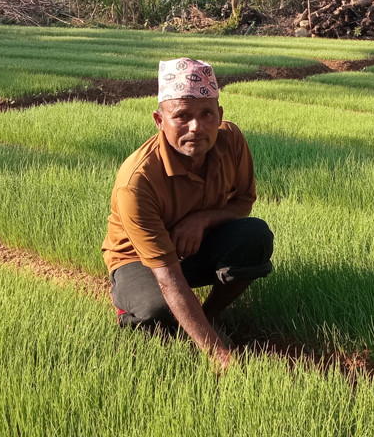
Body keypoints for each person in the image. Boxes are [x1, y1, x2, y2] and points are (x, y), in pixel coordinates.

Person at [102, 58, 274, 372]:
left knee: (255, 237)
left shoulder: (231, 140)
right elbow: (168, 278)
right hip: (138, 259)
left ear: (219, 116)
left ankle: (207, 318)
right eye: (182, 115)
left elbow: (244, 202)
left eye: (207, 114)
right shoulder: (137, 181)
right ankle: (129, 308)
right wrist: (219, 355)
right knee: (158, 310)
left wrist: (203, 220)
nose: (196, 127)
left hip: (196, 245)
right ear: (159, 119)